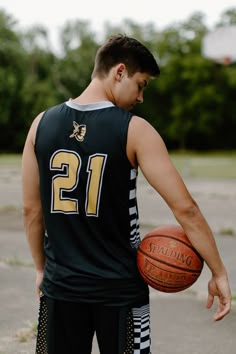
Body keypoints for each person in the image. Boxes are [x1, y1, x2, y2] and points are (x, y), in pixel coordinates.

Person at [21, 34, 231, 354]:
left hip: (60, 287)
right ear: (119, 72)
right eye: (141, 84)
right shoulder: (135, 129)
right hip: (120, 291)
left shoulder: (41, 124)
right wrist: (218, 271)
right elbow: (185, 208)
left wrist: (40, 269)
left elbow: (31, 210)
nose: (141, 97)